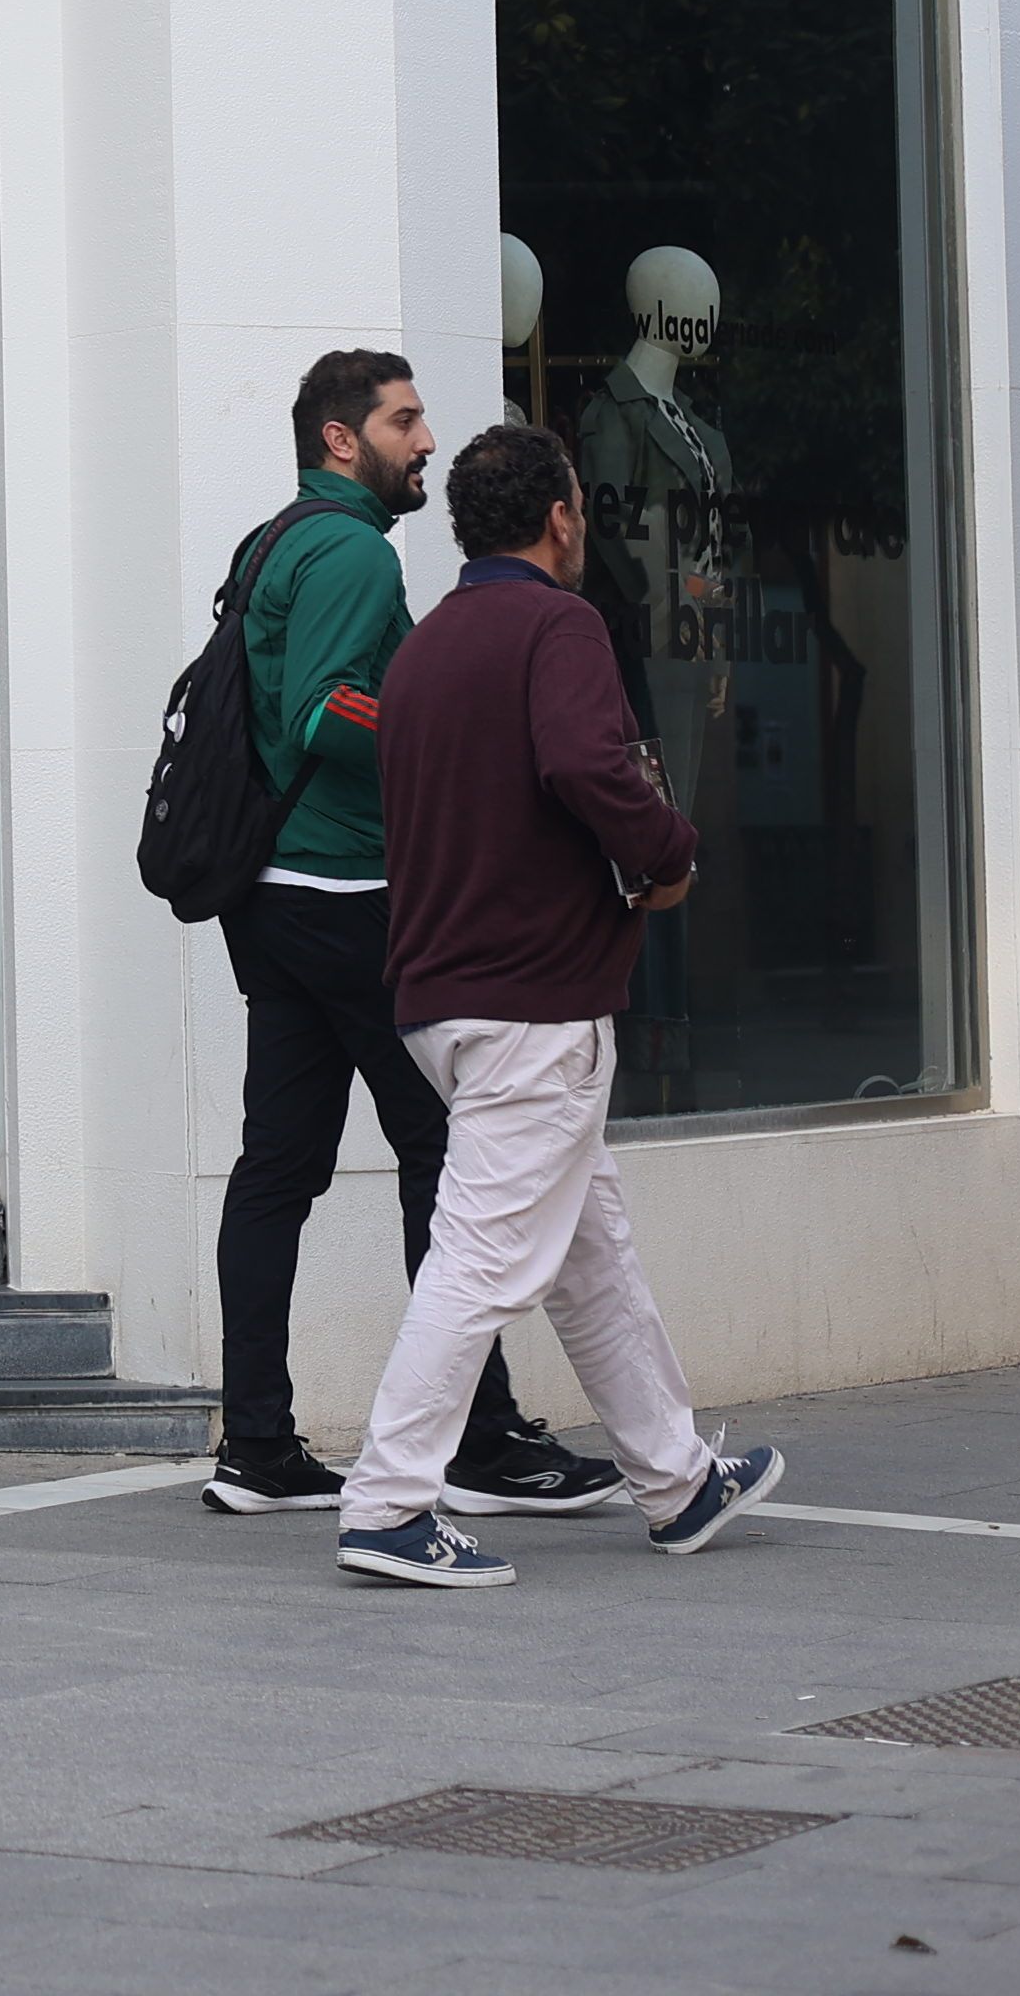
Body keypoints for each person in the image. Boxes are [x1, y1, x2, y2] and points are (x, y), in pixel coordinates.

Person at [335, 418, 782, 1589]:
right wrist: (667, 848)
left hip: (443, 997)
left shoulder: (426, 649)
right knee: (480, 1259)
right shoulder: (559, 625)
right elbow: (590, 769)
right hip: (534, 1000)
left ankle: (678, 1482)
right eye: (578, 505)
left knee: (593, 1256)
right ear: (561, 518)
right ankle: (386, 1505)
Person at [201, 352, 624, 1521]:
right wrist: (456, 742)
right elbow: (326, 706)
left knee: (279, 1164)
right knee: (450, 1150)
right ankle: (479, 1443)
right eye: (404, 420)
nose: (425, 441)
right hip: (340, 886)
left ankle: (258, 1444)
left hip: (274, 894)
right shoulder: (348, 549)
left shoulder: (272, 539)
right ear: (343, 440)